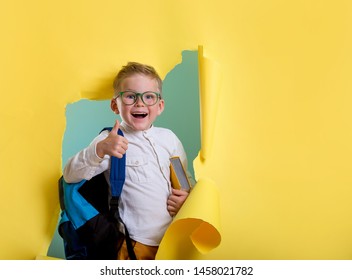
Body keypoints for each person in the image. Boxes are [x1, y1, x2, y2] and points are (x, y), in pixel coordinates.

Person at [63, 62, 194, 260]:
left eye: (149, 96)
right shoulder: (111, 140)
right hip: (133, 244)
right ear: (115, 105)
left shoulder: (169, 139)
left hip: (172, 240)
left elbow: (185, 179)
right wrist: (99, 150)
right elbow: (70, 174)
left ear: (160, 106)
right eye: (131, 96)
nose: (140, 103)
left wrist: (187, 199)